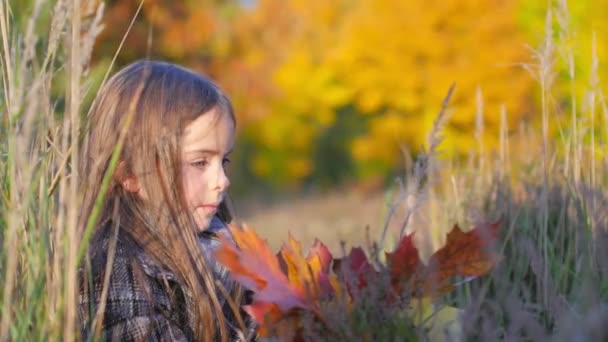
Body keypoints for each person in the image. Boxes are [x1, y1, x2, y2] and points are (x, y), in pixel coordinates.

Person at [78, 60, 254, 341]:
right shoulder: (113, 268)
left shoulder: (218, 241)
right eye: (200, 162)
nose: (222, 180)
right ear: (131, 173)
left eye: (225, 160)